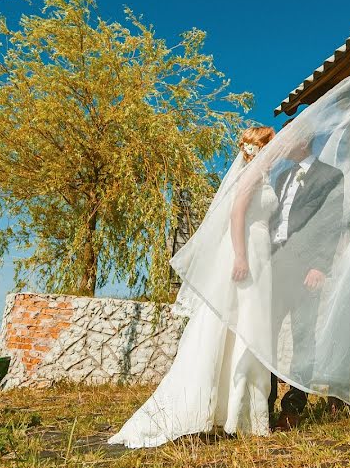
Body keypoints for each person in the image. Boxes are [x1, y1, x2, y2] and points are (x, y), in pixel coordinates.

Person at [108, 126, 277, 447]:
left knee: (246, 328)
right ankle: (235, 412)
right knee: (240, 328)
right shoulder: (252, 174)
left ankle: (236, 412)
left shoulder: (263, 176)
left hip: (261, 255)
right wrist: (240, 257)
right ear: (259, 148)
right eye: (270, 145)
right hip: (247, 254)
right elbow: (237, 214)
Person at [260, 119, 344, 429]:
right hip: (276, 267)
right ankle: (263, 403)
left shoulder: (331, 177)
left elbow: (332, 221)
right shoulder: (282, 178)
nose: (282, 145)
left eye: (288, 139)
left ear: (303, 142)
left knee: (303, 339)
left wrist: (320, 264)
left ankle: (293, 407)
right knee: (264, 334)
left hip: (307, 269)